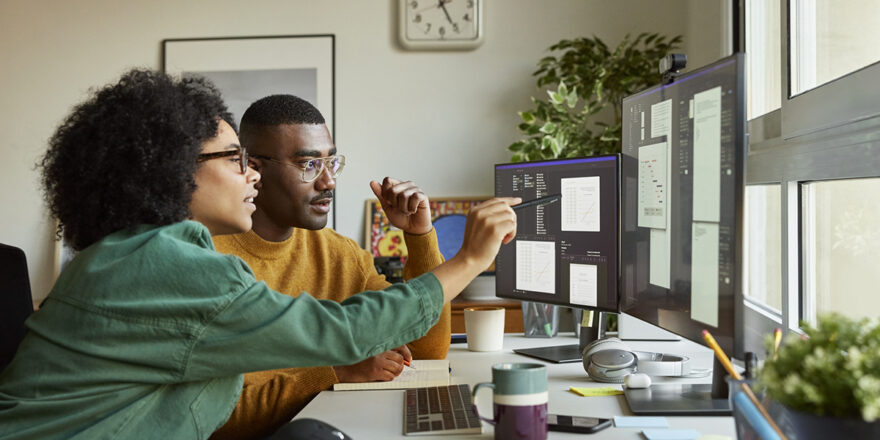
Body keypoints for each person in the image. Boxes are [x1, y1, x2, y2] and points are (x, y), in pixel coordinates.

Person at [0, 69, 518, 439]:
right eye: (233, 158)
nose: (249, 173)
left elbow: (409, 348)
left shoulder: (131, 255)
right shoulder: (167, 266)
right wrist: (469, 258)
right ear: (173, 169)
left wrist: (423, 240)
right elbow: (343, 334)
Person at [210, 95, 450, 439]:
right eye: (309, 166)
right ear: (255, 169)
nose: (328, 182)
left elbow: (426, 350)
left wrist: (420, 237)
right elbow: (216, 417)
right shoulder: (208, 261)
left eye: (331, 163)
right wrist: (336, 372)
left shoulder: (340, 254)